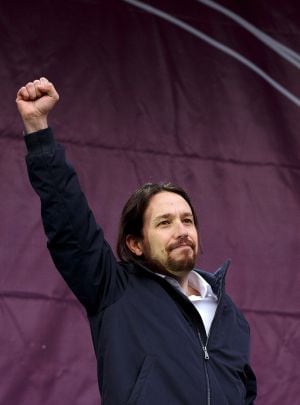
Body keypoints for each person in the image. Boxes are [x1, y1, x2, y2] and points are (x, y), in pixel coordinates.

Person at [16, 78, 257, 405]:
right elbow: (69, 223)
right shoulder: (113, 289)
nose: (181, 229)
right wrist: (37, 129)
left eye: (187, 220)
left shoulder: (229, 314)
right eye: (164, 223)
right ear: (135, 244)